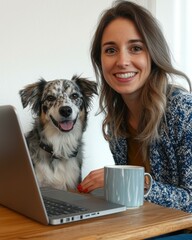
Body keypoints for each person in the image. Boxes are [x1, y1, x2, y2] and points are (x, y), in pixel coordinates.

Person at [77, 0, 192, 216]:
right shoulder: (115, 121)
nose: (122, 61)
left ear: (153, 54)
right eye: (110, 50)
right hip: (147, 227)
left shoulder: (184, 110)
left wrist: (137, 183)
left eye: (136, 48)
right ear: (100, 60)